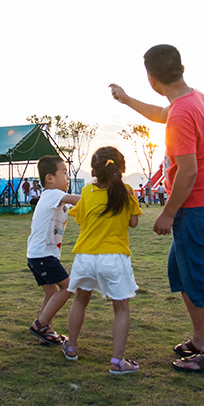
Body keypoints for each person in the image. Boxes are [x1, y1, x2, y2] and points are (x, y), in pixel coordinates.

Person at [110, 44, 204, 376]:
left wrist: (168, 212)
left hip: (197, 206)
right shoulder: (194, 99)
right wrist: (127, 100)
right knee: (180, 270)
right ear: (182, 68)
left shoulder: (182, 112)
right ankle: (201, 339)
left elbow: (187, 171)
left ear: (151, 78)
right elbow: (161, 114)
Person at [62, 147, 142, 375]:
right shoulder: (127, 191)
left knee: (80, 300)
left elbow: (81, 219)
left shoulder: (86, 192)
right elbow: (133, 223)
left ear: (94, 171)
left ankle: (71, 347)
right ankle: (117, 362)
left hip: (85, 256)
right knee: (121, 309)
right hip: (114, 257)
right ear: (121, 167)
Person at [26, 156, 81, 347]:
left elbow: (76, 207)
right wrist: (101, 196)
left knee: (51, 293)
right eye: (64, 173)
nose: (67, 178)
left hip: (37, 255)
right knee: (69, 287)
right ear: (49, 178)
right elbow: (79, 200)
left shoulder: (55, 198)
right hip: (43, 256)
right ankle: (40, 325)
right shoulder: (51, 194)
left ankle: (46, 331)